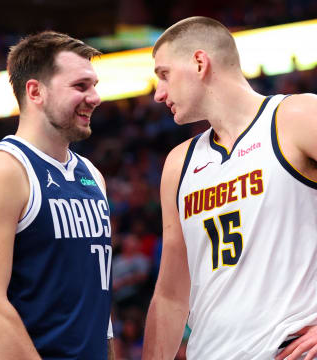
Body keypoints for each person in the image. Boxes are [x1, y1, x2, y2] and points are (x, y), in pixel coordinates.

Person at [142, 16, 317, 360]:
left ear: (199, 62)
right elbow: (171, 294)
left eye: (163, 75)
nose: (158, 93)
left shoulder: (295, 117)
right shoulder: (179, 164)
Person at [0, 31, 115, 359]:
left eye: (94, 85)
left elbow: (97, 301)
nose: (96, 97)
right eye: (80, 86)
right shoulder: (0, 172)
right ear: (35, 91)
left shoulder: (92, 175)